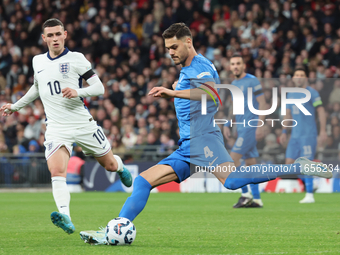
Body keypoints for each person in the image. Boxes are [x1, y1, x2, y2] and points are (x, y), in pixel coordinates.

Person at [79, 23, 332, 245]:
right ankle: (115, 229)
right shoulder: (193, 67)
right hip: (188, 145)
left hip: (203, 140)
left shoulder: (197, 67)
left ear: (188, 42)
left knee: (232, 181)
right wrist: (180, 88)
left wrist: (173, 92)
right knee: (143, 181)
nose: (171, 52)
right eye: (168, 48)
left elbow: (212, 94)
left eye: (175, 46)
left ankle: (297, 166)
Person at [0, 18, 132, 235]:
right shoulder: (38, 61)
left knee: (108, 164)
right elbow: (36, 88)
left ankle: (120, 167)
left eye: (58, 34)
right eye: (50, 35)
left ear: (65, 35)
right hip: (56, 127)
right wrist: (16, 106)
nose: (54, 39)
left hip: (82, 123)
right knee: (56, 171)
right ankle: (66, 217)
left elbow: (99, 88)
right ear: (44, 38)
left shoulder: (76, 59)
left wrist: (77, 91)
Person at [223, 54, 266, 208]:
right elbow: (235, 107)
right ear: (230, 67)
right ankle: (257, 199)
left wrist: (260, 125)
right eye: (233, 64)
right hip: (241, 128)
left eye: (238, 63)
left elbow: (262, 103)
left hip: (250, 127)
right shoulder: (234, 83)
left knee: (233, 158)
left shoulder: (252, 81)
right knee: (250, 164)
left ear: (243, 66)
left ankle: (245, 194)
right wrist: (228, 123)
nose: (235, 66)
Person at [280, 67, 327, 203]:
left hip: (308, 134)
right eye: (297, 75)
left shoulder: (312, 93)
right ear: (294, 78)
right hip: (295, 135)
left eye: (301, 75)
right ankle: (312, 181)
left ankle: (310, 195)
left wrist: (323, 130)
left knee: (306, 165)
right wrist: (284, 131)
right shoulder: (290, 95)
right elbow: (287, 115)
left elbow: (321, 111)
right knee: (289, 164)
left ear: (306, 78)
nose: (299, 77)